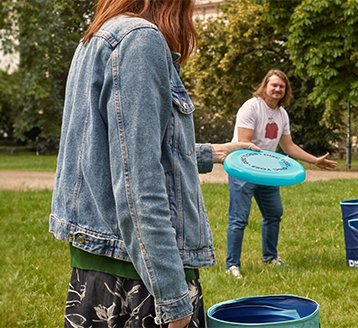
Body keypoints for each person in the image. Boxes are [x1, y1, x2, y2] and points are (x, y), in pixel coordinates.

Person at [48, 1, 258, 327]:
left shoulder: (98, 37)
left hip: (101, 270)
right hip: (139, 277)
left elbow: (112, 150)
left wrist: (213, 152)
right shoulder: (140, 40)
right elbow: (138, 184)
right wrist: (174, 299)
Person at [225, 69, 337, 279]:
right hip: (244, 170)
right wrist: (267, 158)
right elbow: (244, 143)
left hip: (268, 171)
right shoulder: (252, 107)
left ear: (285, 91)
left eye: (281, 86)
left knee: (274, 213)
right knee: (239, 219)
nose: (277, 89)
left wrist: (315, 161)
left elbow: (288, 146)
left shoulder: (281, 114)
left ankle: (270, 257)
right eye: (274, 85)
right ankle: (232, 265)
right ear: (265, 86)